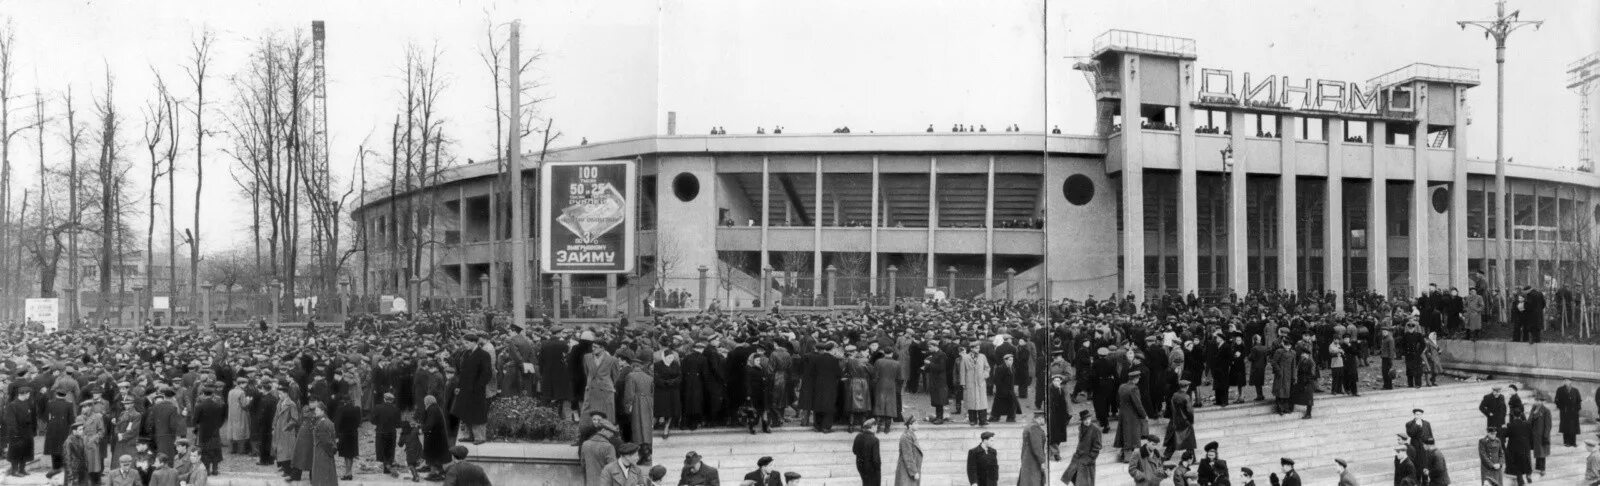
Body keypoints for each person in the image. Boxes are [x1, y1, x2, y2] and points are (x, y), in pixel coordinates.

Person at [454, 334, 495, 444]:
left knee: (477, 414)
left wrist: (478, 386)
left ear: (474, 342)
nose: (465, 345)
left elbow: (487, 374)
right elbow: (462, 373)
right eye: (465, 343)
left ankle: (480, 437)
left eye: (467, 343)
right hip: (465, 389)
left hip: (476, 390)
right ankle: (468, 435)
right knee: (465, 412)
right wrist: (458, 386)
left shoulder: (484, 355)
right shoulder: (467, 353)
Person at [1115, 370, 1149, 462]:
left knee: (1125, 434)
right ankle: (1128, 457)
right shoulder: (1134, 388)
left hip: (1123, 414)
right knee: (1133, 436)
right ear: (1135, 379)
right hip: (1132, 416)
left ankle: (1123, 455)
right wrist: (1144, 415)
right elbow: (1138, 404)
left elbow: (1118, 400)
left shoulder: (1122, 386)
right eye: (1138, 378)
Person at [3, 386, 36, 477]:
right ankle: (14, 471)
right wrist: (15, 433)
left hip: (27, 432)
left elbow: (31, 418)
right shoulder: (12, 405)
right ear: (24, 394)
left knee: (25, 451)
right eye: (28, 394)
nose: (29, 395)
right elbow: (11, 421)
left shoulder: (28, 403)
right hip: (17, 433)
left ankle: (22, 469)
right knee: (16, 452)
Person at [1061, 410, 1099, 486]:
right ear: (1082, 421)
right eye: (1085, 420)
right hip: (1078, 457)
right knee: (1073, 476)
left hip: (1087, 460)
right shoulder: (1081, 427)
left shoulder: (1095, 430)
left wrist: (1090, 459)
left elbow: (1097, 447)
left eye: (1088, 419)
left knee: (1085, 482)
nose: (1087, 421)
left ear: (1091, 418)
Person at [959, 342, 991, 427]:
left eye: (979, 348)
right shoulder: (965, 358)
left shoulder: (982, 357)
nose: (978, 349)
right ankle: (972, 420)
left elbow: (987, 367)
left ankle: (983, 420)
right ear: (972, 348)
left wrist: (985, 375)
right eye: (976, 348)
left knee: (982, 401)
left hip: (980, 382)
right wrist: (963, 382)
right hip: (970, 381)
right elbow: (962, 371)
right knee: (971, 401)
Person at [579, 417, 617, 486]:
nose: (612, 435)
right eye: (611, 432)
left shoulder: (585, 444)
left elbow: (583, 464)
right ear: (603, 430)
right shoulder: (608, 447)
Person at [1165, 380, 1196, 461]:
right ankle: (1192, 459)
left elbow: (1171, 408)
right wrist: (1191, 421)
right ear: (1187, 387)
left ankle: (1165, 457)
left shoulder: (1174, 395)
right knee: (1189, 442)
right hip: (1185, 422)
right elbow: (1189, 411)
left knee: (1172, 441)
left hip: (1174, 421)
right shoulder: (1186, 397)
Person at [372, 392, 402, 475]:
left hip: (381, 432)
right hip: (391, 432)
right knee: (390, 450)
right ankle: (388, 466)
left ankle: (387, 467)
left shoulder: (378, 407)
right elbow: (398, 424)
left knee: (382, 449)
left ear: (384, 399)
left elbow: (372, 420)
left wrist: (379, 423)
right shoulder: (396, 409)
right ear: (392, 400)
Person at [309, 404, 339, 486]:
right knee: (328, 475)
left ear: (323, 411)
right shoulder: (328, 421)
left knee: (322, 476)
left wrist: (330, 452)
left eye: (317, 410)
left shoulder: (321, 423)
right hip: (326, 452)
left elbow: (325, 441)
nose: (315, 411)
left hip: (322, 453)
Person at [334, 396, 362, 480]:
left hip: (344, 434)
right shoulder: (357, 409)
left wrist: (336, 435)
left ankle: (348, 473)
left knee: (346, 454)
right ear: (351, 400)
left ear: (344, 401)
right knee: (351, 454)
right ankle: (349, 472)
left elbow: (337, 423)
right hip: (353, 433)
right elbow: (359, 422)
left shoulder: (341, 409)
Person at [1019, 412, 1048, 486]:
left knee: (1027, 481)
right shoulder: (1034, 427)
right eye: (1045, 419)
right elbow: (1037, 447)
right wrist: (1042, 462)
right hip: (1033, 461)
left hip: (1027, 459)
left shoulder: (1028, 426)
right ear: (1040, 418)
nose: (1045, 421)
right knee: (1033, 482)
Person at [852, 418, 881, 486]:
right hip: (871, 468)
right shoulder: (875, 440)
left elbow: (854, 451)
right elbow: (876, 459)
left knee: (865, 483)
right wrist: (878, 470)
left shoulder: (858, 436)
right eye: (876, 426)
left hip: (860, 466)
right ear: (872, 427)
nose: (876, 429)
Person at [1529, 393, 1553, 477]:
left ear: (1542, 402)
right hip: (1535, 435)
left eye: (1539, 400)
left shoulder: (1546, 411)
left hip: (1542, 435)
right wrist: (1534, 413)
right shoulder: (1533, 409)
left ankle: (1542, 469)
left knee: (1542, 453)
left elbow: (1548, 425)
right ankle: (1537, 467)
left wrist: (1545, 436)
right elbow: (1529, 421)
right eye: (1536, 400)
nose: (1537, 402)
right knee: (1537, 451)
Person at [894, 417, 922, 486]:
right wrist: (914, 472)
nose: (918, 425)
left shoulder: (910, 435)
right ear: (910, 425)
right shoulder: (906, 437)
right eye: (915, 423)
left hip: (908, 471)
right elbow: (908, 456)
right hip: (906, 471)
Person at [1556, 378, 1583, 447]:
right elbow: (1557, 400)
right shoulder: (1560, 390)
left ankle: (1573, 442)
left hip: (1574, 412)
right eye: (1565, 380)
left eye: (1568, 380)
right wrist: (1562, 408)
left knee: (1573, 427)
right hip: (1565, 411)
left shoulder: (1575, 390)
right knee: (1566, 427)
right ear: (1563, 382)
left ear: (1571, 381)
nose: (1566, 382)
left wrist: (1577, 409)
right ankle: (1566, 442)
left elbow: (1579, 401)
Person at [63, 420, 89, 486]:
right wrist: (70, 475)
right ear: (74, 431)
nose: (82, 431)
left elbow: (83, 454)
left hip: (82, 470)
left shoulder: (81, 439)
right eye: (80, 430)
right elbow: (67, 459)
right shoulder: (69, 442)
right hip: (74, 471)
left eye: (82, 429)